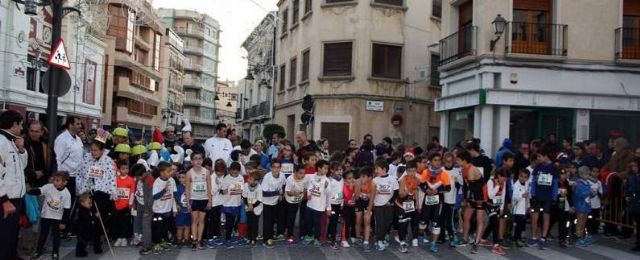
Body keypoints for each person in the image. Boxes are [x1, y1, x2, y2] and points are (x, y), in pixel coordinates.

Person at [76, 129, 117, 231]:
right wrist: (83, 187)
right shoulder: (86, 158)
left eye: (95, 150)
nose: (93, 152)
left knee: (99, 219)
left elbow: (111, 177)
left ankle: (97, 243)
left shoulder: (108, 161)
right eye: (91, 150)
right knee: (87, 218)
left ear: (102, 150)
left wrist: (111, 192)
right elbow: (80, 173)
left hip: (102, 194)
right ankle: (85, 240)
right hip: (88, 192)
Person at [0, 110, 27, 260]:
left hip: (16, 197)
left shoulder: (13, 141)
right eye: (21, 125)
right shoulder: (0, 142)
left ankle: (12, 256)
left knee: (12, 234)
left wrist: (21, 150)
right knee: (4, 237)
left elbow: (22, 167)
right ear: (14, 124)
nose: (22, 128)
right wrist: (4, 201)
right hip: (6, 200)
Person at [28, 171, 71, 260]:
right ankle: (38, 251)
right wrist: (29, 191)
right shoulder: (48, 187)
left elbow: (67, 209)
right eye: (54, 180)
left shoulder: (67, 194)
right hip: (46, 215)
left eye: (58, 180)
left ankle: (55, 252)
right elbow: (40, 191)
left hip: (58, 218)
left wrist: (63, 222)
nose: (55, 182)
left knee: (56, 236)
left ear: (65, 182)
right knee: (43, 234)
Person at [528, 144, 560, 250]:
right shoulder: (538, 167)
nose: (537, 159)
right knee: (534, 217)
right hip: (537, 196)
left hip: (548, 197)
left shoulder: (553, 168)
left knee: (546, 217)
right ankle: (533, 237)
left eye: (539, 156)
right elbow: (533, 181)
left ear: (545, 156)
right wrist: (532, 193)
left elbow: (555, 183)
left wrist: (554, 197)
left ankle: (543, 238)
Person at [418, 152, 451, 253]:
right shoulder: (425, 172)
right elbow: (421, 185)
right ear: (430, 162)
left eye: (439, 160)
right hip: (427, 200)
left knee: (436, 222)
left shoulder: (444, 173)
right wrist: (426, 190)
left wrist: (438, 190)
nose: (437, 162)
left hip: (438, 201)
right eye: (435, 160)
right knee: (423, 221)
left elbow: (448, 188)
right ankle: (420, 235)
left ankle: (433, 243)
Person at [458, 150, 486, 254]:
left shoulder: (471, 170)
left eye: (459, 160)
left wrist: (468, 200)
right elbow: (467, 186)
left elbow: (473, 188)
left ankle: (476, 243)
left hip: (480, 196)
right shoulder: (464, 169)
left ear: (464, 160)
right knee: (466, 216)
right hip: (473, 195)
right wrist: (466, 199)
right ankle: (465, 238)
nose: (457, 162)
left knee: (480, 220)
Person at [54, 116, 84, 209]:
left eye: (80, 124)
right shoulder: (62, 139)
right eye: (77, 124)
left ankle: (68, 222)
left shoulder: (78, 139)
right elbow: (57, 158)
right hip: (66, 177)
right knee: (63, 203)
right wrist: (58, 177)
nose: (80, 126)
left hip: (76, 177)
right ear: (70, 125)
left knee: (72, 203)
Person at [369, 159, 399, 252]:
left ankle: (383, 237)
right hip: (378, 205)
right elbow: (372, 193)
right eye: (375, 169)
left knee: (388, 223)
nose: (375, 171)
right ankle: (379, 240)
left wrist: (391, 201)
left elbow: (396, 192)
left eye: (377, 168)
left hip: (389, 206)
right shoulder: (374, 180)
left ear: (384, 169)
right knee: (380, 223)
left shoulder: (393, 179)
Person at [185, 151, 211, 250]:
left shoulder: (206, 172)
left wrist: (210, 201)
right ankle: (194, 241)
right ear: (192, 161)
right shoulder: (189, 173)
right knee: (194, 220)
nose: (198, 161)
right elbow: (187, 188)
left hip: (204, 199)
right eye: (195, 159)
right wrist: (187, 202)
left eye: (200, 159)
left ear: (202, 160)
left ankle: (200, 241)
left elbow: (209, 187)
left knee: (202, 221)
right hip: (194, 199)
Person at [301, 160, 331, 246]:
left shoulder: (327, 181)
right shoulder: (310, 176)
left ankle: (317, 238)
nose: (326, 170)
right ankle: (309, 236)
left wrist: (328, 208)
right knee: (308, 221)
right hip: (309, 205)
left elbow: (329, 195)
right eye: (325, 168)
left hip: (319, 206)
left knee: (317, 223)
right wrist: (307, 193)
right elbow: (304, 184)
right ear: (319, 168)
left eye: (327, 168)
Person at [151, 161, 179, 253]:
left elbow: (174, 194)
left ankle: (162, 241)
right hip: (158, 211)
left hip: (168, 210)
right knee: (157, 228)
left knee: (164, 228)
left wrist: (176, 206)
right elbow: (155, 196)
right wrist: (163, 190)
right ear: (162, 172)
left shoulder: (172, 180)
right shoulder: (157, 182)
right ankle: (156, 244)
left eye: (171, 170)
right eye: (169, 171)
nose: (171, 172)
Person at [395, 160, 419, 253]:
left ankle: (404, 238)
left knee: (410, 220)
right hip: (401, 204)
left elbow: (416, 190)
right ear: (407, 171)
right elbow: (401, 194)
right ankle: (402, 242)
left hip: (410, 204)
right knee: (403, 223)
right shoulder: (403, 180)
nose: (412, 173)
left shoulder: (416, 180)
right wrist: (408, 189)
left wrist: (417, 202)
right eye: (410, 171)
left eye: (414, 170)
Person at [261, 160, 287, 248]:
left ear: (280, 168)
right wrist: (277, 193)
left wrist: (282, 193)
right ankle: (265, 240)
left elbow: (284, 185)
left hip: (276, 202)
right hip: (266, 202)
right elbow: (264, 193)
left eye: (278, 167)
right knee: (267, 222)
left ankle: (270, 236)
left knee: (272, 221)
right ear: (271, 168)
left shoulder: (282, 175)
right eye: (274, 167)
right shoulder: (267, 177)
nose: (276, 169)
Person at [130, 163, 154, 255]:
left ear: (143, 173)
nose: (137, 178)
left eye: (138, 176)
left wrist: (147, 210)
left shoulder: (149, 180)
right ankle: (141, 240)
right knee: (139, 222)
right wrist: (134, 202)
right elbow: (136, 190)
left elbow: (150, 197)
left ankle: (147, 246)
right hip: (139, 203)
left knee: (146, 225)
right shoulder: (138, 178)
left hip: (147, 206)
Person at [112, 160, 135, 247]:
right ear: (119, 169)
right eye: (122, 169)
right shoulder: (115, 179)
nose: (124, 170)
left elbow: (132, 192)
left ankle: (124, 238)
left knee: (125, 222)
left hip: (126, 205)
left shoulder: (131, 180)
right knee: (117, 221)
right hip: (117, 204)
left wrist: (130, 202)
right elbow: (113, 190)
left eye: (126, 168)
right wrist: (114, 198)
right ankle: (119, 238)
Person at [221, 162, 244, 249]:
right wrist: (231, 189)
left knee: (235, 220)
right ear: (229, 170)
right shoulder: (226, 179)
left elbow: (241, 190)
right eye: (233, 172)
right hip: (228, 203)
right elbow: (223, 191)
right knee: (229, 221)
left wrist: (232, 189)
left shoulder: (241, 178)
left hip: (237, 203)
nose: (235, 174)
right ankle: (227, 239)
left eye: (236, 172)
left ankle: (231, 235)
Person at [284, 165, 307, 244]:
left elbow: (305, 188)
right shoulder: (290, 179)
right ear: (295, 172)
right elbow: (288, 192)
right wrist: (294, 193)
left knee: (296, 217)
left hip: (298, 201)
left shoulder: (304, 179)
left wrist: (302, 195)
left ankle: (296, 233)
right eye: (300, 173)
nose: (302, 175)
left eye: (304, 173)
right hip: (289, 201)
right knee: (291, 217)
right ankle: (289, 234)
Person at [205, 159, 226, 248]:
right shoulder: (211, 177)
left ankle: (215, 236)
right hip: (212, 202)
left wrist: (221, 189)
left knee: (217, 219)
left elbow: (224, 188)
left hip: (219, 202)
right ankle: (209, 238)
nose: (220, 174)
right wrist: (219, 188)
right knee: (212, 220)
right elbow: (211, 191)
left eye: (221, 172)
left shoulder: (222, 176)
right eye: (218, 172)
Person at [25, 120, 50, 188]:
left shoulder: (46, 144)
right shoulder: (25, 144)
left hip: (45, 179)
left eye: (36, 131)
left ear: (42, 132)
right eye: (31, 131)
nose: (33, 134)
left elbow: (50, 160)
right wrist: (33, 175)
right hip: (30, 181)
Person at [243, 169, 264, 246]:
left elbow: (259, 200)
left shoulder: (259, 188)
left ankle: (253, 238)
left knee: (255, 224)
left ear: (256, 181)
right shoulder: (245, 185)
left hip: (256, 208)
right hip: (248, 207)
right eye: (249, 178)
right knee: (249, 223)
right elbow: (244, 197)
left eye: (251, 179)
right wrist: (249, 205)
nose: (248, 180)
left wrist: (253, 206)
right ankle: (249, 237)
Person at [326, 161, 344, 249]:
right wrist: (328, 208)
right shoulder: (329, 180)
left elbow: (342, 192)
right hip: (331, 204)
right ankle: (333, 240)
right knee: (333, 221)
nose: (340, 171)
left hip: (338, 204)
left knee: (335, 220)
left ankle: (329, 235)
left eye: (341, 169)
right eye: (337, 170)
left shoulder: (342, 179)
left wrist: (342, 203)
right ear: (332, 170)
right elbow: (328, 195)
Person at [574, 166, 594, 247]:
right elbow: (579, 195)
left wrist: (592, 194)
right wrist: (589, 192)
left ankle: (581, 236)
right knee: (580, 222)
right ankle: (578, 237)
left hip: (586, 205)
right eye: (586, 174)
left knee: (584, 222)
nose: (587, 176)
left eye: (588, 174)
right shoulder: (578, 183)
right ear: (581, 174)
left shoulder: (587, 183)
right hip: (580, 205)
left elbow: (588, 195)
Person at [512, 168, 531, 248]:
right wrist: (522, 196)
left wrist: (528, 206)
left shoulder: (526, 184)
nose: (523, 178)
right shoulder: (516, 185)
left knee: (522, 225)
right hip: (517, 209)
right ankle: (516, 239)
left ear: (527, 178)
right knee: (518, 225)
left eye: (525, 177)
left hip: (524, 208)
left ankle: (518, 238)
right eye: (521, 176)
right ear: (519, 176)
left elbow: (528, 196)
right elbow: (514, 197)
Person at [357, 166, 375, 252]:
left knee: (367, 221)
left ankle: (366, 242)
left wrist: (368, 211)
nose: (361, 178)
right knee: (358, 220)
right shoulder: (358, 182)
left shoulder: (373, 185)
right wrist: (358, 187)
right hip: (359, 202)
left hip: (368, 204)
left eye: (363, 177)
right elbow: (356, 197)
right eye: (360, 176)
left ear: (370, 178)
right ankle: (358, 237)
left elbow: (372, 200)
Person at [624, 161, 640, 251]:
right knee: (637, 223)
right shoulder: (631, 176)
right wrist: (627, 195)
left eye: (636, 166)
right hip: (634, 203)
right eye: (633, 166)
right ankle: (638, 242)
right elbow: (627, 187)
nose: (634, 168)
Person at [341, 170, 357, 248]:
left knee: (354, 221)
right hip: (346, 206)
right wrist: (350, 188)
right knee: (346, 223)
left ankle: (353, 236)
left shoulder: (355, 185)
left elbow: (357, 195)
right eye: (349, 178)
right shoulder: (344, 186)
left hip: (353, 206)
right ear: (345, 180)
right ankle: (344, 239)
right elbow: (346, 196)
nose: (352, 180)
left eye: (352, 178)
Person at [175, 172, 191, 247]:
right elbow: (175, 198)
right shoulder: (178, 188)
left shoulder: (190, 187)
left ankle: (186, 239)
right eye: (180, 177)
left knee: (187, 226)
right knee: (180, 226)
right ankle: (179, 240)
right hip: (181, 210)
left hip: (189, 210)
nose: (181, 179)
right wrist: (176, 205)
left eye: (183, 177)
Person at [587, 166, 603, 238]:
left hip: (597, 204)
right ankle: (589, 230)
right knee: (590, 218)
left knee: (596, 218)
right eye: (593, 171)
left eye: (597, 172)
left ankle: (595, 230)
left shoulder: (599, 182)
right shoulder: (587, 181)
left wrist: (598, 193)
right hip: (590, 204)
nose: (595, 173)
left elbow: (601, 192)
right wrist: (592, 194)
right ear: (590, 172)